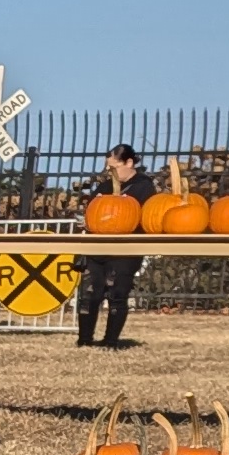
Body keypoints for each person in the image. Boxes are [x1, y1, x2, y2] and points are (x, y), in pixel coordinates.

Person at [80, 144, 152, 348]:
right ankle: (84, 339)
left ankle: (111, 340)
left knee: (117, 294)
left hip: (126, 250)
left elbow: (141, 216)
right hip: (99, 247)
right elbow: (93, 212)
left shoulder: (143, 186)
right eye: (108, 168)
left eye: (115, 167)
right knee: (90, 294)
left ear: (129, 163)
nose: (111, 172)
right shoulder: (104, 187)